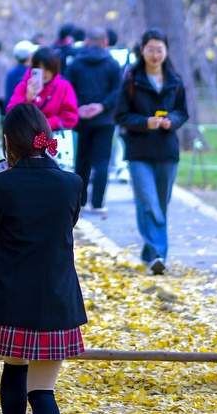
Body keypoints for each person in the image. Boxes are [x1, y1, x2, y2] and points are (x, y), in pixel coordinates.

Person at [0, 102, 86, 414]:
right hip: (56, 300)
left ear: (9, 141)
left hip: (10, 297)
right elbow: (68, 224)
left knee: (14, 371)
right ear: (45, 139)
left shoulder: (1, 184)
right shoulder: (71, 183)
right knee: (43, 388)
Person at [115, 29, 188, 274]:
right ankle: (158, 255)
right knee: (148, 203)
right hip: (139, 152)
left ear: (166, 51)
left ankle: (149, 250)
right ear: (142, 50)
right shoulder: (131, 80)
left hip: (167, 152)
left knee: (161, 205)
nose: (155, 54)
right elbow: (121, 115)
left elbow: (182, 112)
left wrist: (172, 121)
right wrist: (144, 122)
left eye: (159, 49)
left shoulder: (175, 81)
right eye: (150, 49)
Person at [67, 26, 123, 212]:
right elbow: (117, 91)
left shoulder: (76, 63)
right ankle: (98, 203)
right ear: (105, 42)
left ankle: (80, 201)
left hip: (82, 119)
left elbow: (68, 88)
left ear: (86, 41)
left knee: (82, 160)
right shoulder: (112, 64)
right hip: (105, 120)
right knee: (102, 162)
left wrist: (79, 107)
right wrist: (102, 106)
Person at [7, 48, 79, 131]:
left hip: (53, 138)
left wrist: (44, 124)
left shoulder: (63, 86)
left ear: (54, 69)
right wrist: (27, 100)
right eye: (40, 68)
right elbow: (11, 114)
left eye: (48, 69)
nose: (44, 73)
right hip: (27, 139)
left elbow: (70, 117)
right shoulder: (24, 86)